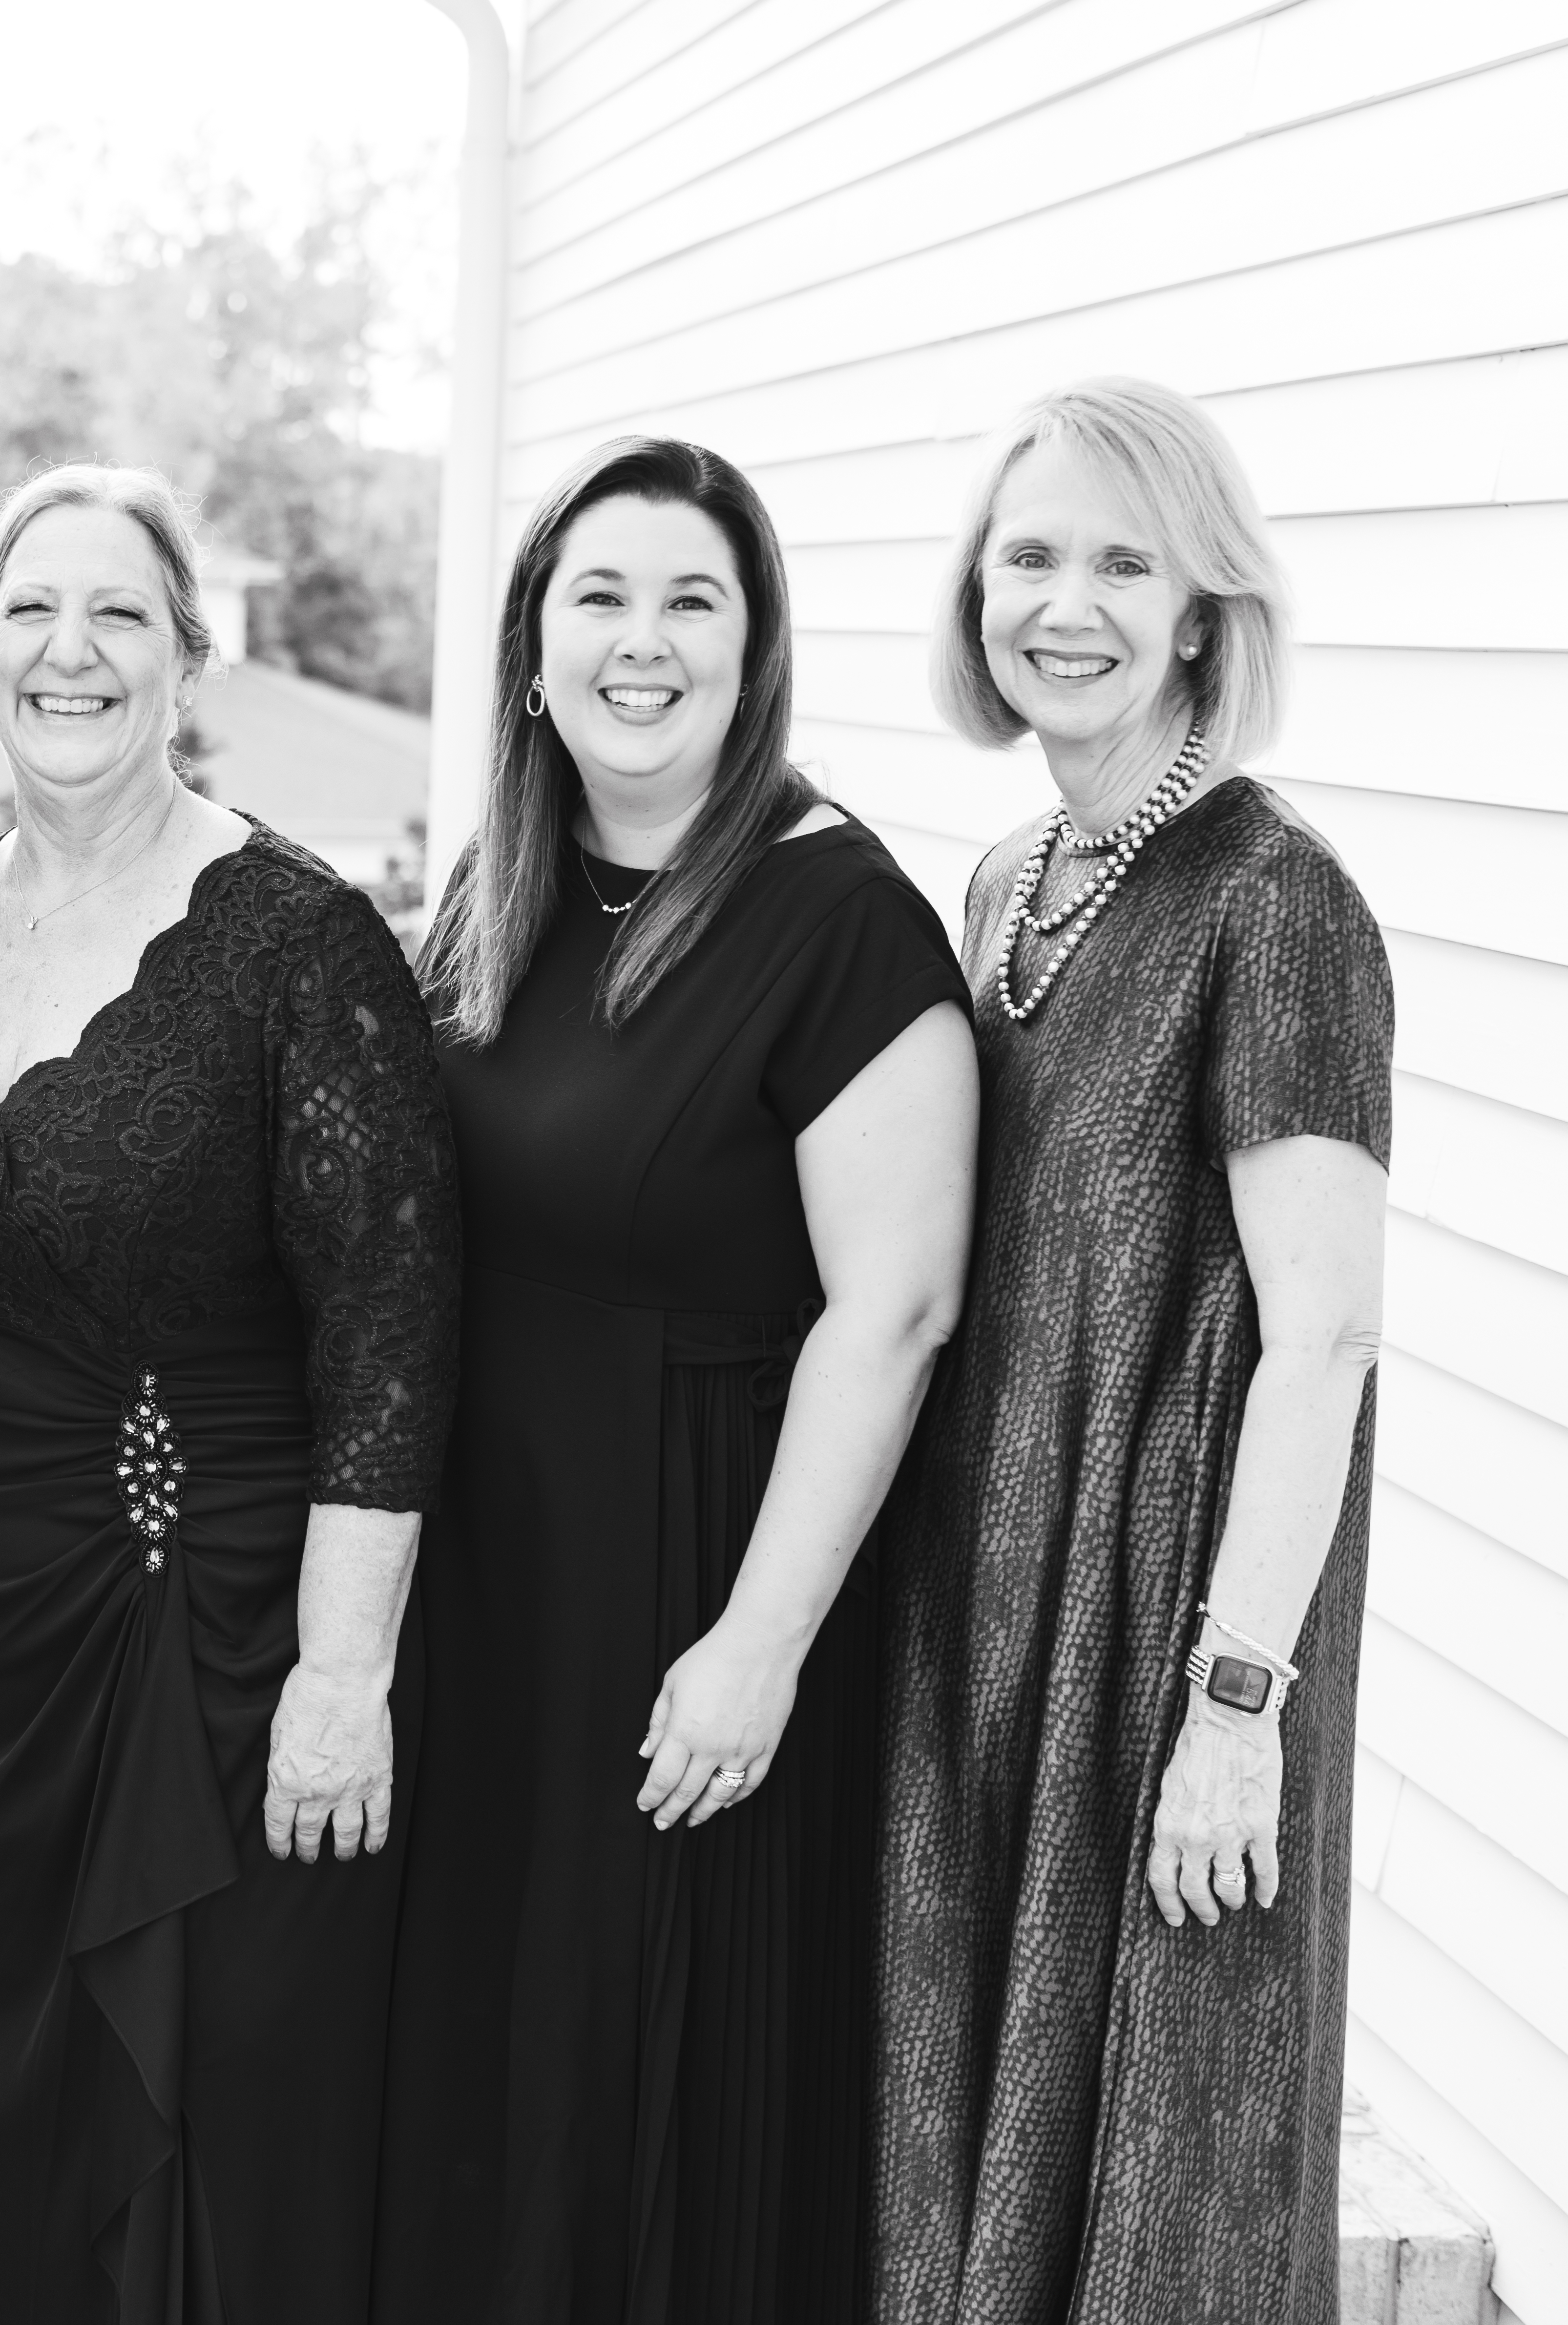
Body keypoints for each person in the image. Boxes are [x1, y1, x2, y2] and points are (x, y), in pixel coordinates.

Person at [0, 464, 457, 2324]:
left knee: (227, 2145)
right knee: (17, 2134)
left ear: (189, 655)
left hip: (222, 1637)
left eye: (119, 614)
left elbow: (393, 1327)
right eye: (31, 610)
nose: (70, 651)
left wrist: (344, 1677)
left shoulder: (296, 938)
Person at [371, 439, 976, 2325]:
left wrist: (758, 1646)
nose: (643, 643)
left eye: (691, 601)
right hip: (493, 1587)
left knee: (653, 2093)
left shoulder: (841, 916)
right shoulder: (506, 884)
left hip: (692, 1584)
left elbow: (896, 1310)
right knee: (496, 2082)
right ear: (533, 645)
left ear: (754, 645)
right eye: (603, 598)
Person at [876, 378, 1392, 2325]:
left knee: (1160, 2173)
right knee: (949, 2151)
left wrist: (1235, 1708)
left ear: (1199, 612)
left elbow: (1324, 1338)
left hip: (1164, 1627)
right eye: (1028, 556)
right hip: (982, 1625)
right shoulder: (1004, 885)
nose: (1064, 604)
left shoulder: (1278, 903)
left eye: (1122, 562)